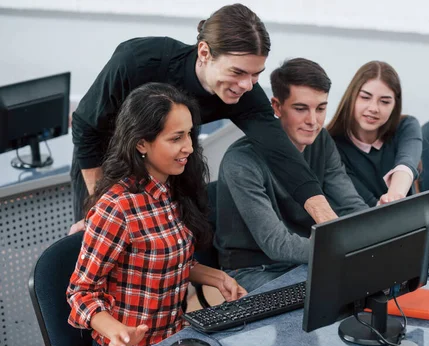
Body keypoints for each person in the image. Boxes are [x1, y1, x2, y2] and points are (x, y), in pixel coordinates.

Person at [69, 3, 336, 233]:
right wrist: (99, 203)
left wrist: (328, 221)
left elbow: (281, 154)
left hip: (165, 167)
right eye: (238, 72)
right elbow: (85, 125)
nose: (247, 85)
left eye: (256, 74)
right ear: (205, 52)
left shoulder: (245, 93)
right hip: (105, 162)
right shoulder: (138, 60)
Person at [67, 83, 247, 346]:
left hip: (173, 340)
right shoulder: (117, 208)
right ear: (141, 143)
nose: (189, 146)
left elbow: (168, 260)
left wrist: (217, 277)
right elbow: (80, 292)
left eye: (189, 133)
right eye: (176, 138)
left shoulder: (172, 189)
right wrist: (116, 331)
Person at [214, 58, 368, 292]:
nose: (313, 121)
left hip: (307, 254)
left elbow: (350, 205)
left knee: (366, 288)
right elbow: (276, 244)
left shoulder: (321, 141)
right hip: (256, 268)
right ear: (276, 107)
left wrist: (376, 237)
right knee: (324, 299)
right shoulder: (241, 161)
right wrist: (345, 247)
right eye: (301, 108)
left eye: (321, 108)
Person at [328, 61, 429, 231]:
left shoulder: (406, 125)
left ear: (395, 105)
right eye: (365, 97)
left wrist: (395, 195)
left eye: (384, 101)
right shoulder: (331, 146)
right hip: (368, 234)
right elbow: (372, 210)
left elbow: (406, 165)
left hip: (413, 228)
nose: (374, 108)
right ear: (351, 97)